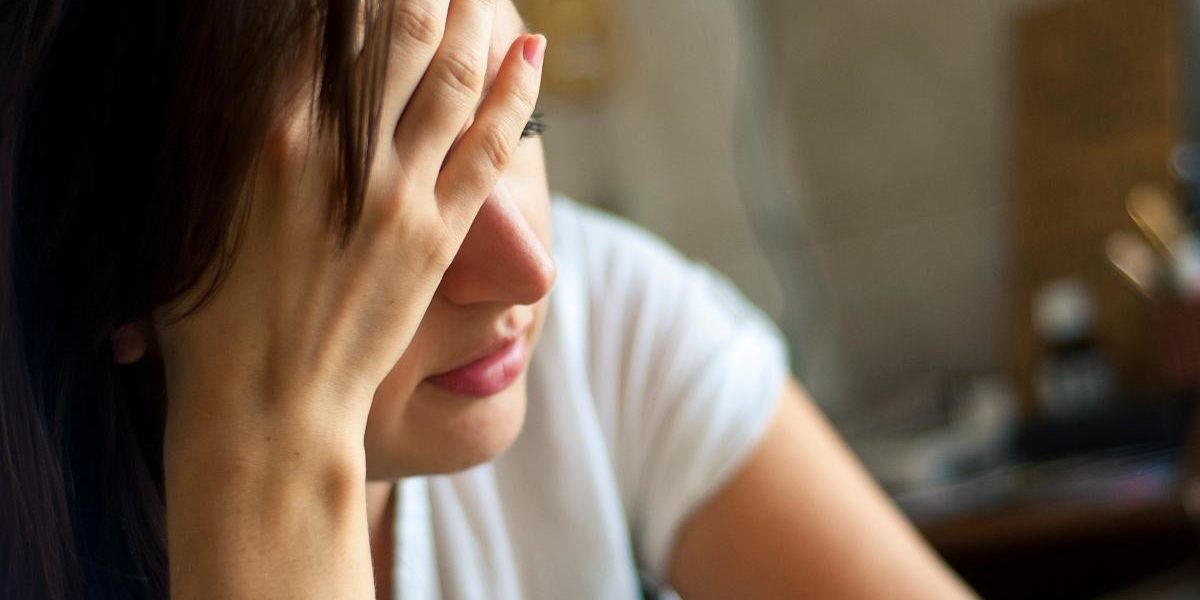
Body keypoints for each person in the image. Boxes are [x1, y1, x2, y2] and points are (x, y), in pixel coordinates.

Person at [0, 1, 976, 598]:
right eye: (374, 203)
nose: (528, 269)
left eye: (520, 123)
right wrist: (267, 450)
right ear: (119, 284)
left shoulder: (605, 317)